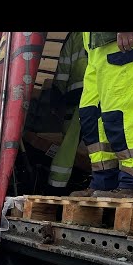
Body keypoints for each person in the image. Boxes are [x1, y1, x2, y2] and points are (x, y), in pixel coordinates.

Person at [70, 32, 133, 198]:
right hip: (98, 47)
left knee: (121, 114)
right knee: (91, 115)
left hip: (126, 43)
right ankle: (104, 180)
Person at [47, 32, 88, 191]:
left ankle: (55, 187)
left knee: (68, 145)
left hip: (76, 97)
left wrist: (57, 98)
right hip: (91, 97)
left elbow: (63, 69)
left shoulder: (74, 36)